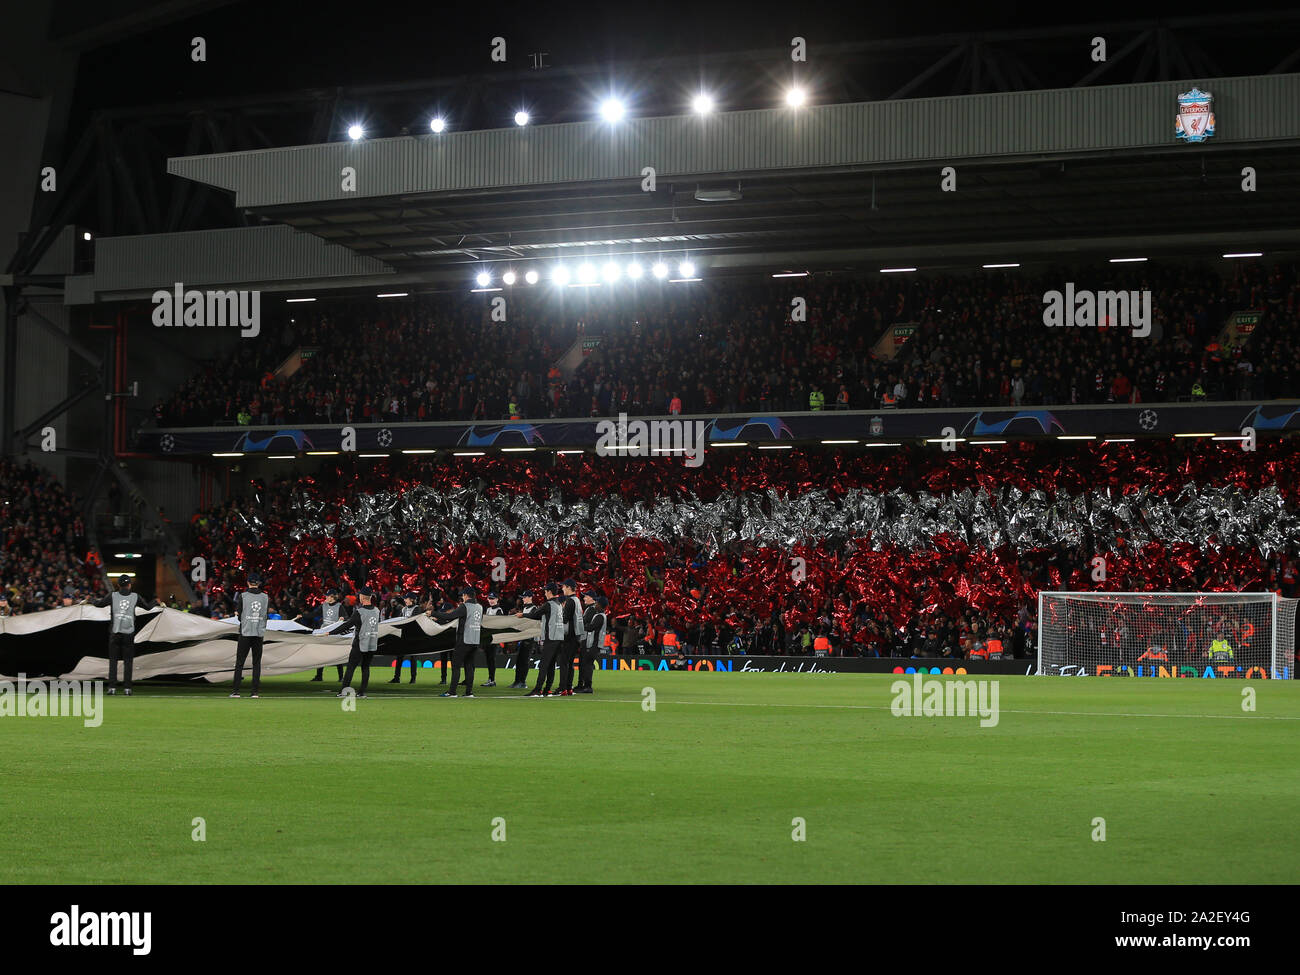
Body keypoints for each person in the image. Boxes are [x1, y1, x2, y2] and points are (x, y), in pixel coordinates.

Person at [89, 575, 158, 696]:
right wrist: (156, 602)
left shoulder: (112, 595)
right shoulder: (135, 596)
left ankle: (112, 688)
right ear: (129, 585)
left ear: (118, 585)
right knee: (128, 662)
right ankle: (127, 689)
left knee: (113, 662)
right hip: (129, 633)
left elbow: (99, 604)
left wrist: (90, 600)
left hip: (115, 633)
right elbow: (147, 607)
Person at [432, 587, 484, 698]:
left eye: (463, 595)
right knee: (469, 666)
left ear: (466, 595)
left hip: (464, 640)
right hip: (475, 640)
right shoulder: (480, 607)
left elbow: (449, 616)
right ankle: (469, 692)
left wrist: (433, 613)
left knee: (456, 666)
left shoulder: (464, 607)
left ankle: (452, 692)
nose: (462, 598)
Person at [517, 582, 563, 697]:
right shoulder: (559, 605)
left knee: (543, 665)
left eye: (545, 591)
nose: (544, 593)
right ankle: (547, 689)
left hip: (551, 638)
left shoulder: (549, 604)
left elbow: (534, 615)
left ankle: (538, 689)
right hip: (559, 638)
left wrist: (523, 615)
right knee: (551, 665)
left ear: (549, 592)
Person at [336, 587, 382, 698]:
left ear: (362, 597)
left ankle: (343, 691)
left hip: (360, 643)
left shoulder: (360, 612)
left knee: (351, 667)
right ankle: (361, 692)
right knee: (365, 667)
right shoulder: (377, 611)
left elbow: (347, 625)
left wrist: (331, 632)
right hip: (372, 643)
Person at [231, 572, 270, 698]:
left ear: (248, 582)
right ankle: (255, 692)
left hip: (246, 632)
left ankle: (236, 691)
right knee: (256, 663)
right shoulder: (265, 597)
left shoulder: (243, 596)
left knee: (240, 663)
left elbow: (240, 616)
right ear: (258, 583)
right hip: (259, 633)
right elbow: (265, 615)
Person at [308, 588, 345, 682]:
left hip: (334, 633)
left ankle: (341, 677)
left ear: (332, 597)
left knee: (337, 656)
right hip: (324, 633)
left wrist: (342, 618)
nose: (326, 597)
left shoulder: (339, 606)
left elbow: (346, 617)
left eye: (327, 596)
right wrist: (302, 615)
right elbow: (314, 614)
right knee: (321, 655)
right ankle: (319, 676)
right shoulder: (323, 605)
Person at [558, 579, 585, 697]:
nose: (562, 589)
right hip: (576, 636)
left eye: (563, 587)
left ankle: (563, 688)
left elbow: (565, 619)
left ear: (569, 587)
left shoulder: (569, 601)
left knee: (564, 663)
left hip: (569, 636)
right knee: (570, 663)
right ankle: (569, 688)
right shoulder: (577, 600)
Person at [577, 591, 608, 694]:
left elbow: (591, 627)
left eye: (597, 603)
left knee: (588, 664)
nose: (596, 605)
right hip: (593, 643)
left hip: (593, 644)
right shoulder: (600, 615)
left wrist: (582, 627)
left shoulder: (600, 616)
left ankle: (588, 686)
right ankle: (585, 685)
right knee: (587, 664)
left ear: (600, 605)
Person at [390, 591, 424, 684]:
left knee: (413, 658)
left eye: (406, 598)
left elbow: (413, 621)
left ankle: (413, 678)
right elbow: (400, 620)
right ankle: (396, 677)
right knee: (399, 656)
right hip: (404, 635)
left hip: (413, 636)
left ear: (412, 600)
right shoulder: (404, 609)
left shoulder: (417, 609)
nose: (405, 600)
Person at [481, 590, 503, 688]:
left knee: (491, 659)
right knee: (489, 659)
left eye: (493, 599)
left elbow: (497, 624)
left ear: (497, 599)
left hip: (494, 638)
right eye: (490, 598)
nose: (491, 600)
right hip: (488, 637)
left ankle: (492, 680)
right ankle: (490, 679)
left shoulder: (499, 610)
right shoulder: (488, 609)